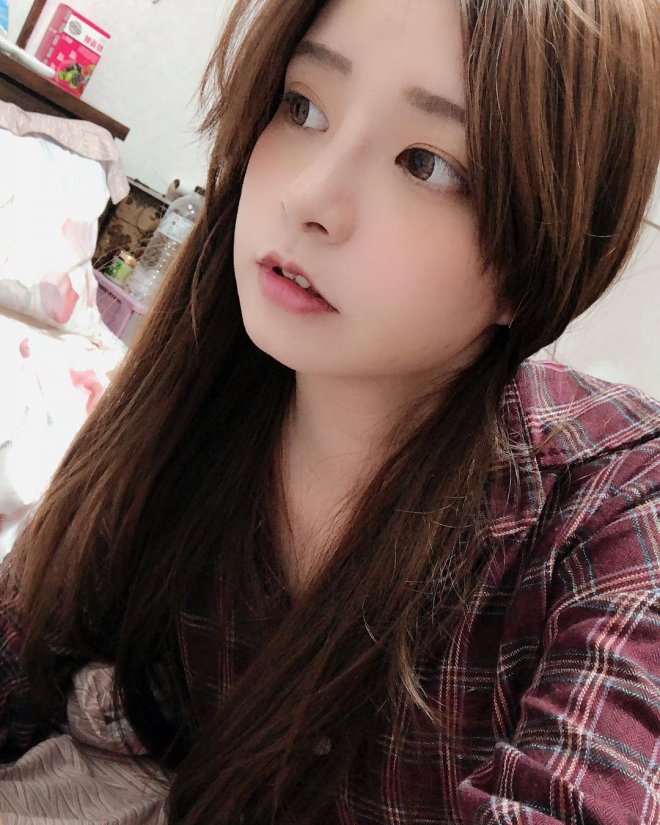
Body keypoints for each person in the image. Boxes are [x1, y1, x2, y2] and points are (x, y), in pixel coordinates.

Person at [1, 0, 659, 822]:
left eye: (425, 164)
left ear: (541, 253)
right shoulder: (191, 400)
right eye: (303, 106)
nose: (309, 195)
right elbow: (26, 654)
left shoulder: (614, 505)